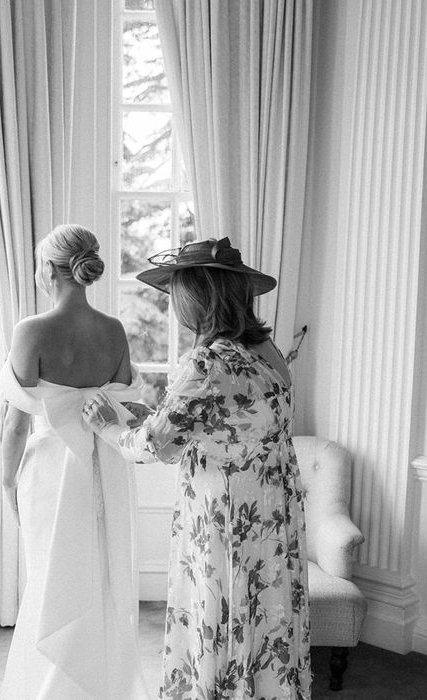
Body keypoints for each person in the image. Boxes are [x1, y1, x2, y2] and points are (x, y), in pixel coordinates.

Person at [83, 237, 312, 699]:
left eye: (178, 295)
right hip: (271, 513)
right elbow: (228, 421)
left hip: (224, 518)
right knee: (264, 617)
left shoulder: (207, 363)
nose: (174, 307)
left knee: (220, 615)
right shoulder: (268, 351)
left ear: (197, 298)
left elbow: (152, 445)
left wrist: (108, 425)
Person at [0, 224, 149, 699]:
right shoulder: (114, 330)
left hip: (51, 473)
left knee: (53, 578)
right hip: (108, 466)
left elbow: (16, 425)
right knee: (102, 576)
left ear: (48, 269)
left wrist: (7, 483)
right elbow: (123, 412)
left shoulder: (32, 331)